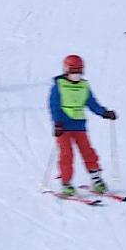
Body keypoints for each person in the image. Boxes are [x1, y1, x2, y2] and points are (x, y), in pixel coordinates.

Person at [49, 55, 117, 196]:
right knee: (67, 154)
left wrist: (104, 113)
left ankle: (96, 179)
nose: (76, 74)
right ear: (66, 70)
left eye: (79, 71)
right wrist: (57, 122)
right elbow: (54, 105)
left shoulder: (84, 86)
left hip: (79, 125)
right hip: (63, 126)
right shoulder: (59, 86)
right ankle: (66, 183)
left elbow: (92, 103)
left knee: (88, 152)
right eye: (73, 71)